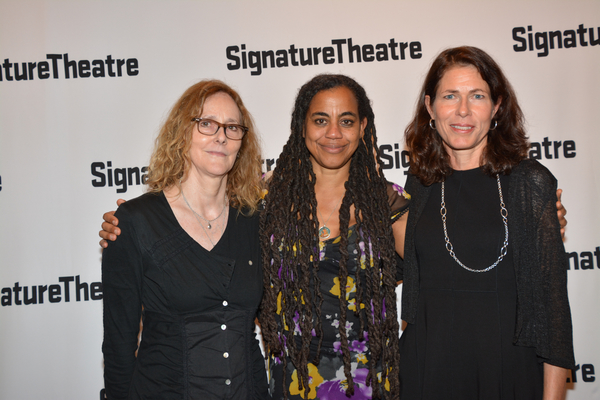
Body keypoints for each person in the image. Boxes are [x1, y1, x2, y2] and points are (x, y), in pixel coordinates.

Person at [398, 46, 575, 399]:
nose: (462, 110)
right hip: (426, 370)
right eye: (450, 96)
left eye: (476, 96)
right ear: (431, 107)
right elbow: (414, 281)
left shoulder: (530, 182)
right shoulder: (419, 183)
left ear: (496, 107)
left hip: (506, 371)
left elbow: (552, 316)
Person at [101, 80, 269, 399]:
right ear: (183, 132)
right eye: (206, 123)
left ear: (242, 142)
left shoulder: (255, 221)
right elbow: (119, 343)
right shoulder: (136, 222)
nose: (221, 135)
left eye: (233, 127)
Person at [259, 74, 409, 399]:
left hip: (368, 382)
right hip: (292, 380)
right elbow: (203, 230)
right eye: (320, 120)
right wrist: (128, 224)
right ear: (302, 125)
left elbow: (441, 269)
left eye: (346, 120)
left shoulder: (386, 203)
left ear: (363, 127)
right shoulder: (265, 197)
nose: (333, 133)